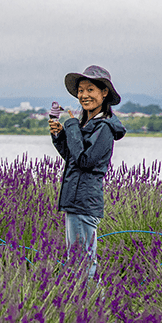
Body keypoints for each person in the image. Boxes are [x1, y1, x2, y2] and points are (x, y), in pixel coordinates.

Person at [48, 65, 126, 282]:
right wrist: (60, 136)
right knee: (78, 261)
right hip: (75, 201)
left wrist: (72, 125)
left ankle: (91, 309)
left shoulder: (104, 128)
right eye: (81, 90)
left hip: (84, 202)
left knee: (83, 263)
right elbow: (74, 157)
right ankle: (86, 308)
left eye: (90, 89)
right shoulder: (89, 124)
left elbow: (84, 161)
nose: (83, 95)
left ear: (104, 93)